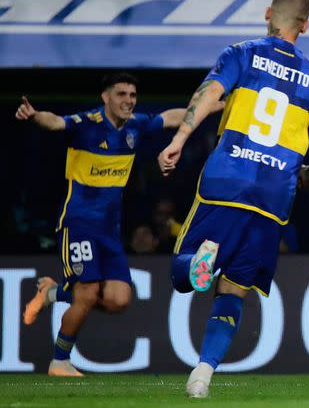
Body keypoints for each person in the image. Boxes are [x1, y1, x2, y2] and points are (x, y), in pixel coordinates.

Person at [158, 0, 309, 398]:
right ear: (305, 26)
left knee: (181, 276)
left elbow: (210, 94)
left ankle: (203, 260)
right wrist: (306, 172)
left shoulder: (241, 52)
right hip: (275, 193)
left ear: (268, 13)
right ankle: (202, 374)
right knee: (235, 289)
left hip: (228, 178)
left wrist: (181, 137)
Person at [16, 73, 188, 377]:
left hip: (109, 230)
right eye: (121, 94)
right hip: (78, 222)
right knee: (86, 293)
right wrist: (33, 116)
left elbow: (171, 117)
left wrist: (214, 107)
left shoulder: (135, 125)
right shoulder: (87, 124)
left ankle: (52, 293)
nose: (128, 101)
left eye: (132, 95)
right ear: (105, 97)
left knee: (118, 300)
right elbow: (54, 122)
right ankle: (59, 361)